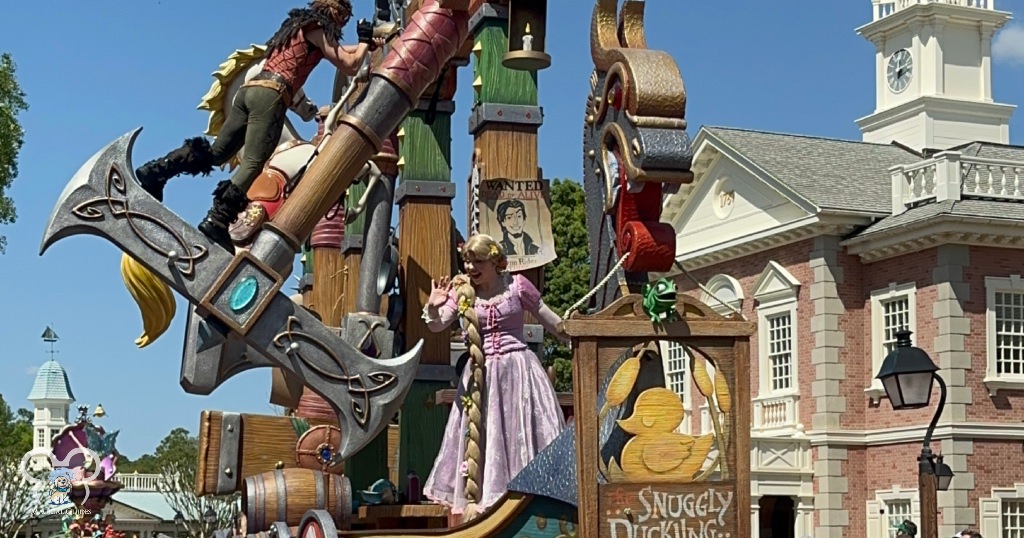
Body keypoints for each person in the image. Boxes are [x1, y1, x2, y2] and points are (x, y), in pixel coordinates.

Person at [133, 0, 386, 254]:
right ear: (333, 11)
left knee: (217, 153)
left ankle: (156, 171)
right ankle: (218, 219)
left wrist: (365, 47)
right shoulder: (319, 28)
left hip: (249, 92)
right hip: (273, 96)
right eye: (343, 15)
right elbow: (349, 64)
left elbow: (342, 52)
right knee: (254, 162)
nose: (343, 21)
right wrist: (364, 40)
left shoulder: (298, 25)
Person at [420, 234, 566, 519]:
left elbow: (550, 319)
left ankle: (528, 504)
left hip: (519, 372)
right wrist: (433, 305)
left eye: (478, 261)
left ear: (495, 261)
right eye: (467, 260)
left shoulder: (517, 286)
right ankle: (487, 506)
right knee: (485, 435)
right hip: (480, 375)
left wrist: (575, 334)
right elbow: (437, 326)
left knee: (521, 433)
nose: (471, 267)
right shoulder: (461, 292)